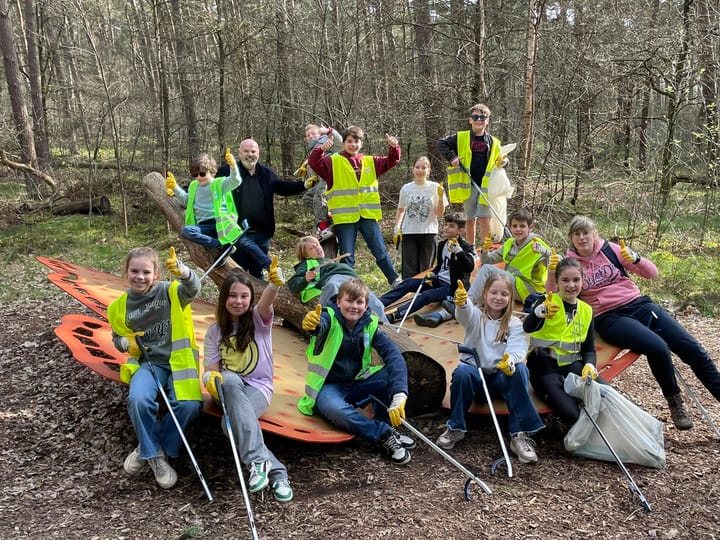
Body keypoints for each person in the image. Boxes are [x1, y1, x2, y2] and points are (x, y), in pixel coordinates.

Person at [555, 215, 720, 430]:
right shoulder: (570, 263)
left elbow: (652, 273)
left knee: (692, 348)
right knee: (658, 347)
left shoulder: (610, 250)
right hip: (609, 317)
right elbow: (557, 294)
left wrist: (635, 259)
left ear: (595, 233)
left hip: (639, 305)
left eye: (586, 232)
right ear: (571, 238)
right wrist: (552, 273)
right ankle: (675, 401)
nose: (582, 237)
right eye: (577, 234)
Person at [108, 246, 203, 489]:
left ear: (156, 274)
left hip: (179, 362)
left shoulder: (170, 292)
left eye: (146, 272)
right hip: (149, 363)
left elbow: (193, 289)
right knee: (138, 399)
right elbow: (117, 337)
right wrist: (124, 342)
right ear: (126, 272)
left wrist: (183, 272)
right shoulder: (119, 306)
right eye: (134, 271)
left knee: (190, 405)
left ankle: (150, 446)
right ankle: (155, 457)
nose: (140, 277)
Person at [297, 278, 416, 465]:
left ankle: (383, 423)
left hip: (356, 382)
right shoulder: (328, 316)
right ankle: (383, 433)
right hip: (327, 387)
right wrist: (313, 325)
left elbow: (393, 356)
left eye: (359, 302)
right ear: (338, 301)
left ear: (366, 305)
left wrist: (400, 393)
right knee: (336, 410)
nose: (354, 306)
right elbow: (320, 326)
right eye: (349, 301)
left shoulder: (370, 325)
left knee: (389, 376)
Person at [202, 262, 293, 502]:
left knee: (228, 426)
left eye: (244, 296)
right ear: (224, 299)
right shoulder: (214, 331)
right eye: (233, 296)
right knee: (229, 378)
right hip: (227, 390)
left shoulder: (257, 320)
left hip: (258, 388)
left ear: (251, 299)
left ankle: (275, 471)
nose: (238, 301)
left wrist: (274, 284)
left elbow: (267, 302)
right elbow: (211, 369)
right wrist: (209, 379)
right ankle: (262, 463)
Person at [436, 276, 544, 463]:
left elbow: (518, 347)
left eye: (504, 294)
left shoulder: (514, 323)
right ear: (485, 293)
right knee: (461, 372)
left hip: (502, 380)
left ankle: (518, 434)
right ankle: (456, 427)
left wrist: (510, 360)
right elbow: (464, 314)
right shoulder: (476, 316)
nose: (498, 297)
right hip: (476, 378)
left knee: (520, 370)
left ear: (510, 297)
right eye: (493, 292)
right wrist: (462, 303)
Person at [308, 126, 402, 287]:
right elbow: (314, 163)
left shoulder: (371, 161)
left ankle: (394, 280)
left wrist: (394, 147)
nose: (353, 145)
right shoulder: (333, 161)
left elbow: (391, 160)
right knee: (347, 255)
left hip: (367, 215)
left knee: (380, 250)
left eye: (356, 141)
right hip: (345, 218)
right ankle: (348, 285)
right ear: (343, 143)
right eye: (349, 141)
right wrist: (320, 150)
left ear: (361, 143)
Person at [524, 258, 599, 425]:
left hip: (572, 364)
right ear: (557, 281)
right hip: (543, 365)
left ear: (582, 281)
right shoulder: (547, 302)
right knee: (573, 415)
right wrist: (539, 313)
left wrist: (590, 364)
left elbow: (588, 349)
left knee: (603, 396)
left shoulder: (586, 310)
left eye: (576, 280)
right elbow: (528, 327)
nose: (571, 285)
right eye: (565, 280)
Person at [217, 139, 306, 278]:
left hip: (261, 235)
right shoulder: (226, 171)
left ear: (258, 153)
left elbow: (282, 187)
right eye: (246, 151)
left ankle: (260, 299)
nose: (250, 154)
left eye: (253, 151)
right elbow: (210, 188)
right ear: (239, 153)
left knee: (257, 274)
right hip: (236, 233)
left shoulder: (266, 173)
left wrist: (304, 185)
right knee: (235, 275)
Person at [380, 212, 475, 328]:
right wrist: (433, 273)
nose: (446, 228)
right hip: (437, 281)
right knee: (408, 283)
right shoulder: (442, 244)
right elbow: (440, 267)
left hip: (452, 287)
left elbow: (469, 267)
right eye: (445, 225)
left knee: (426, 295)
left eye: (451, 226)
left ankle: (395, 314)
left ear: (460, 231)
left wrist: (459, 252)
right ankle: (379, 303)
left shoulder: (465, 248)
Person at [437, 103, 507, 248]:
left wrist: (504, 162)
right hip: (468, 184)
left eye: (483, 117)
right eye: (475, 117)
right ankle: (471, 249)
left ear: (487, 120)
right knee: (470, 218)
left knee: (484, 217)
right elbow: (441, 144)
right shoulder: (461, 137)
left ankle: (486, 249)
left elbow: (504, 159)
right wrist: (452, 158)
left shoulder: (494, 142)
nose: (479, 120)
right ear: (470, 120)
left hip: (486, 186)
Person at [165, 149, 244, 264]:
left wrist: (233, 166)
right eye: (195, 175)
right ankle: (219, 245)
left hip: (220, 224)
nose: (199, 177)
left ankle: (226, 247)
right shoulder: (194, 186)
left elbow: (235, 181)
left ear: (212, 171)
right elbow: (186, 201)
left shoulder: (219, 184)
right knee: (187, 231)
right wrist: (175, 187)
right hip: (204, 226)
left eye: (202, 173)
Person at [287, 235, 388, 322]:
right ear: (305, 255)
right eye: (312, 248)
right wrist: (305, 278)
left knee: (377, 304)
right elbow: (293, 284)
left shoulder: (329, 260)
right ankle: (324, 322)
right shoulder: (307, 264)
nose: (318, 248)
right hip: (335, 278)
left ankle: (388, 331)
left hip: (354, 280)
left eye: (317, 244)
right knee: (332, 286)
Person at [468, 208, 552, 308]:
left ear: (530, 228)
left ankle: (467, 304)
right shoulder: (510, 243)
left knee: (487, 270)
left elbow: (557, 264)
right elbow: (487, 261)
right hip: (513, 284)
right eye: (515, 226)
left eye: (522, 226)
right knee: (485, 268)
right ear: (510, 227)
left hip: (529, 291)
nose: (518, 229)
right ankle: (476, 304)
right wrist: (485, 250)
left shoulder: (536, 243)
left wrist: (545, 252)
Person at [392, 156, 447, 279]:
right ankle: (408, 295)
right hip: (409, 232)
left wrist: (441, 197)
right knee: (409, 270)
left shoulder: (435, 187)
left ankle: (424, 294)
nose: (420, 170)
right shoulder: (406, 188)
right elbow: (401, 209)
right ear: (413, 169)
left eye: (424, 167)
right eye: (417, 167)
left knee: (426, 270)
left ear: (429, 171)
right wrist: (397, 227)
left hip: (429, 232)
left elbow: (439, 213)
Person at [297, 124, 342, 241]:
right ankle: (329, 217)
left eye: (313, 133)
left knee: (319, 197)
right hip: (320, 180)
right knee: (307, 198)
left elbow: (340, 143)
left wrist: (329, 131)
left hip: (330, 177)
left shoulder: (327, 141)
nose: (310, 136)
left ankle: (322, 227)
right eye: (308, 135)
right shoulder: (312, 149)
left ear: (320, 134)